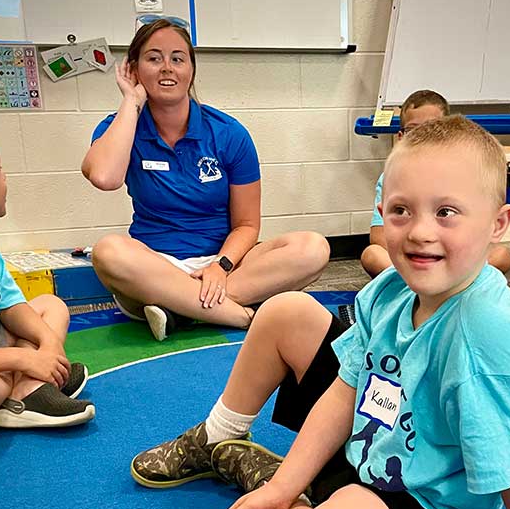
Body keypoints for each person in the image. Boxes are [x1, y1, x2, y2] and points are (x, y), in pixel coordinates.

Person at [129, 116, 510, 509]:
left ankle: (275, 485)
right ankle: (217, 437)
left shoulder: (488, 336)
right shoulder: (390, 289)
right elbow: (347, 389)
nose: (420, 232)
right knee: (285, 312)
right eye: (402, 210)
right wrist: (289, 481)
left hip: (419, 488)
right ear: (382, 212)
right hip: (368, 432)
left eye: (446, 212)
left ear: (498, 224)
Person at [82, 19, 330, 341]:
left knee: (312, 248)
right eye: (154, 58)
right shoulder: (119, 126)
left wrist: (220, 266)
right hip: (154, 269)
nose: (167, 67)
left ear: (191, 70)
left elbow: (246, 225)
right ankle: (241, 315)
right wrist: (131, 101)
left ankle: (180, 310)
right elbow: (104, 177)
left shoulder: (228, 133)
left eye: (177, 59)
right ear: (134, 69)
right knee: (108, 252)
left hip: (223, 268)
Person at [0, 120, 95, 438]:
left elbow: (10, 303)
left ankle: (24, 391)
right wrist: (24, 359)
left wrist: (48, 345)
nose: (4, 176)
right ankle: (18, 388)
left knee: (51, 306)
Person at [361, 89, 510, 278]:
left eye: (433, 130)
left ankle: (445, 275)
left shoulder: (464, 175)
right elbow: (378, 237)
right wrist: (410, 254)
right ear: (401, 137)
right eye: (413, 131)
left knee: (501, 255)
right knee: (372, 255)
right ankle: (427, 278)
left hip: (453, 254)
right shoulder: (391, 178)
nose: (423, 139)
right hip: (408, 257)